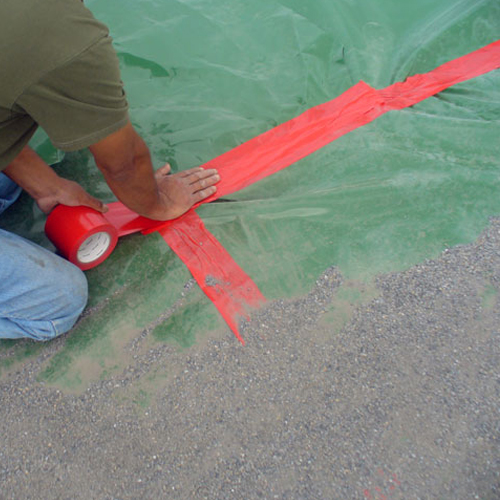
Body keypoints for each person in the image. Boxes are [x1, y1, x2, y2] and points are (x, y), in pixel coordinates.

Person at [0, 0, 219, 341]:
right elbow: (124, 165)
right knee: (59, 300)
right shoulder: (64, 38)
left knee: (9, 182)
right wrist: (159, 203)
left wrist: (48, 187)